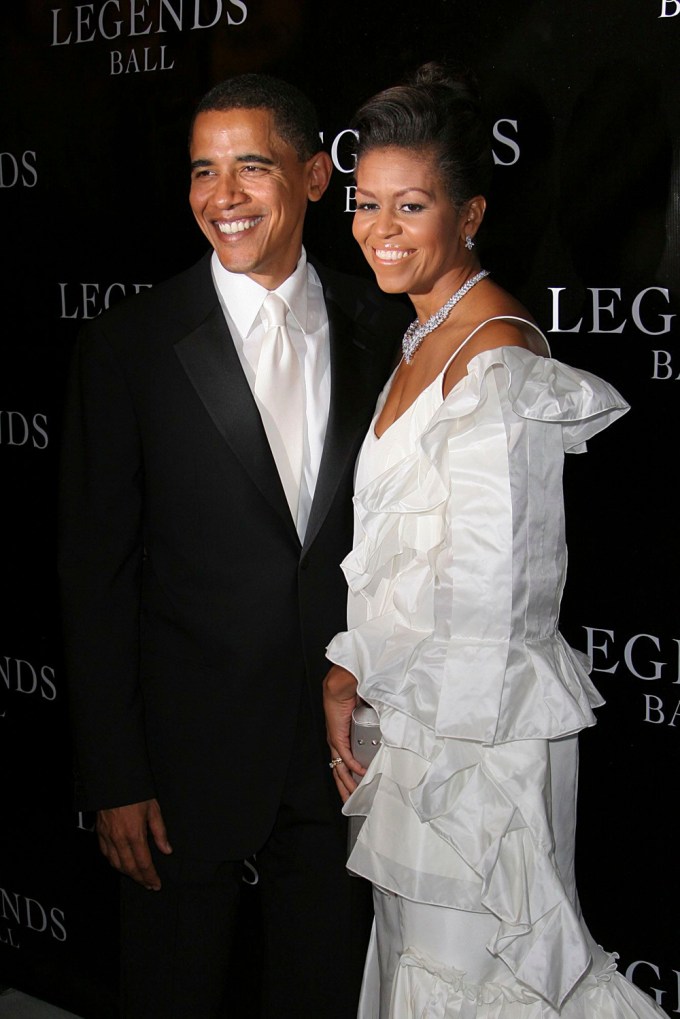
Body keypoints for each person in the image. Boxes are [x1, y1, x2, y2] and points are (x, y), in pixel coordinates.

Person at [58, 73, 409, 1019]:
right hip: (181, 764)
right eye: (203, 171)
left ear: (314, 175)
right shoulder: (128, 345)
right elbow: (96, 575)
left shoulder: (385, 327)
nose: (224, 197)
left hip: (343, 756)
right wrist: (114, 777)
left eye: (251, 167)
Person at [323, 64, 666, 1018]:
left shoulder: (497, 359)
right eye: (365, 204)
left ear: (469, 214)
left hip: (474, 759)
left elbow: (493, 603)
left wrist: (375, 694)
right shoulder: (426, 330)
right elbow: (403, 557)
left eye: (410, 206)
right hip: (414, 732)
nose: (378, 230)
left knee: (480, 985)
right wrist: (351, 672)